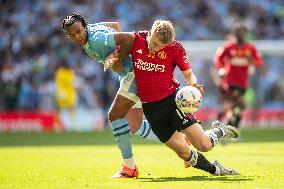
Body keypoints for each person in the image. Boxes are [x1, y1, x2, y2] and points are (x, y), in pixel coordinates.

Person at [104, 20, 239, 176]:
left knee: (204, 145)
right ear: (150, 33)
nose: (154, 48)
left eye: (159, 47)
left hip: (172, 103)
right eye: (153, 43)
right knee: (183, 152)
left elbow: (188, 74)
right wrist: (110, 56)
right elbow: (117, 48)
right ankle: (215, 170)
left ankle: (219, 131)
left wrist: (193, 84)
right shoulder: (135, 39)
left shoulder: (175, 48)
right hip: (151, 110)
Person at [62, 13, 162, 178]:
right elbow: (115, 25)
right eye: (72, 35)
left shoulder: (97, 40)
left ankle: (129, 168)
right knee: (135, 126)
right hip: (129, 75)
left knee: (115, 116)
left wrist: (115, 55)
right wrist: (117, 56)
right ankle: (180, 139)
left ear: (84, 26)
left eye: (78, 31)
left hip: (134, 73)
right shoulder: (91, 30)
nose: (77, 36)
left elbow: (129, 38)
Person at [213, 24, 264, 129]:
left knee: (235, 107)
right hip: (230, 81)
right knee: (241, 104)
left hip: (243, 82)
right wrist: (221, 68)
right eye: (237, 32)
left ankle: (226, 126)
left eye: (241, 32)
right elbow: (218, 58)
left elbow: (259, 61)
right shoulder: (228, 47)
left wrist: (252, 61)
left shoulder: (250, 48)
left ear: (244, 34)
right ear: (234, 34)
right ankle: (233, 127)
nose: (239, 34)